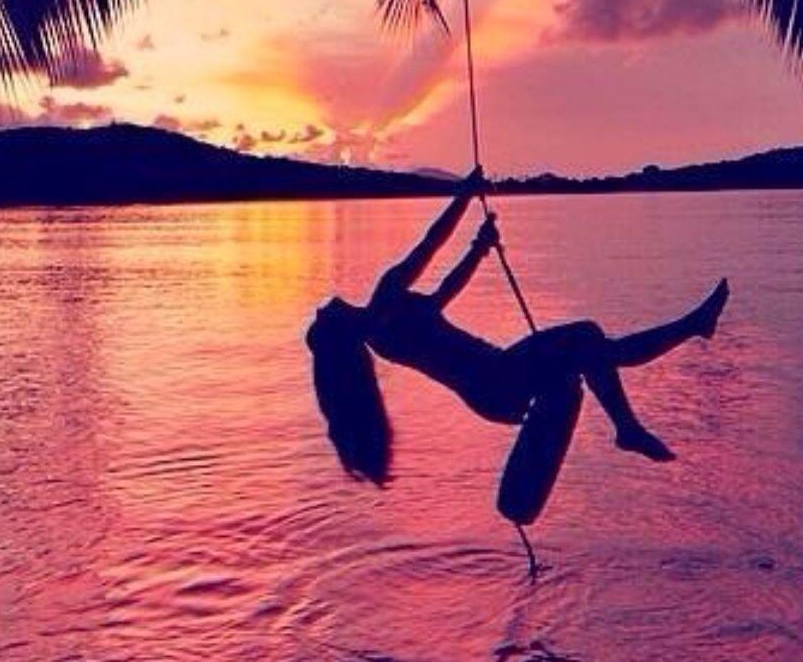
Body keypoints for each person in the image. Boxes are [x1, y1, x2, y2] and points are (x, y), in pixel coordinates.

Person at [306, 170, 731, 516]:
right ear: (338, 330)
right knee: (588, 338)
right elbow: (430, 242)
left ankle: (684, 340)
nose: (322, 307)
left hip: (493, 387)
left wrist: (479, 248)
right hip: (497, 377)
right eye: (322, 317)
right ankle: (634, 417)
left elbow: (441, 296)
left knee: (594, 350)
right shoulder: (384, 301)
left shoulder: (383, 331)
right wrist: (466, 193)